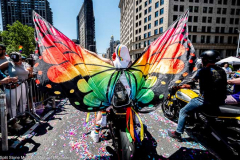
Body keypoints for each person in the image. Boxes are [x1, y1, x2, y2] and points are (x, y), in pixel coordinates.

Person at [168, 50, 227, 141]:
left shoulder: (204, 71)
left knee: (183, 111)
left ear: (206, 60)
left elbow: (191, 80)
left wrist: (180, 84)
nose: (202, 61)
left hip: (205, 100)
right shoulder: (222, 70)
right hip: (220, 100)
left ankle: (178, 133)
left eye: (203, 59)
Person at [85, 44, 131, 142]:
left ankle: (96, 134)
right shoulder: (130, 64)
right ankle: (135, 124)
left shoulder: (112, 63)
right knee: (132, 107)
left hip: (113, 97)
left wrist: (86, 51)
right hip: (128, 95)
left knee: (102, 104)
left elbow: (97, 57)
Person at [0, 52, 33, 131]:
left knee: (23, 102)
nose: (18, 61)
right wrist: (5, 78)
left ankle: (23, 118)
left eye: (19, 59)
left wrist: (30, 72)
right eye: (16, 60)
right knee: (13, 105)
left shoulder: (25, 64)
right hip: (12, 86)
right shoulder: (9, 63)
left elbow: (29, 74)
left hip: (23, 84)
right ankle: (13, 122)